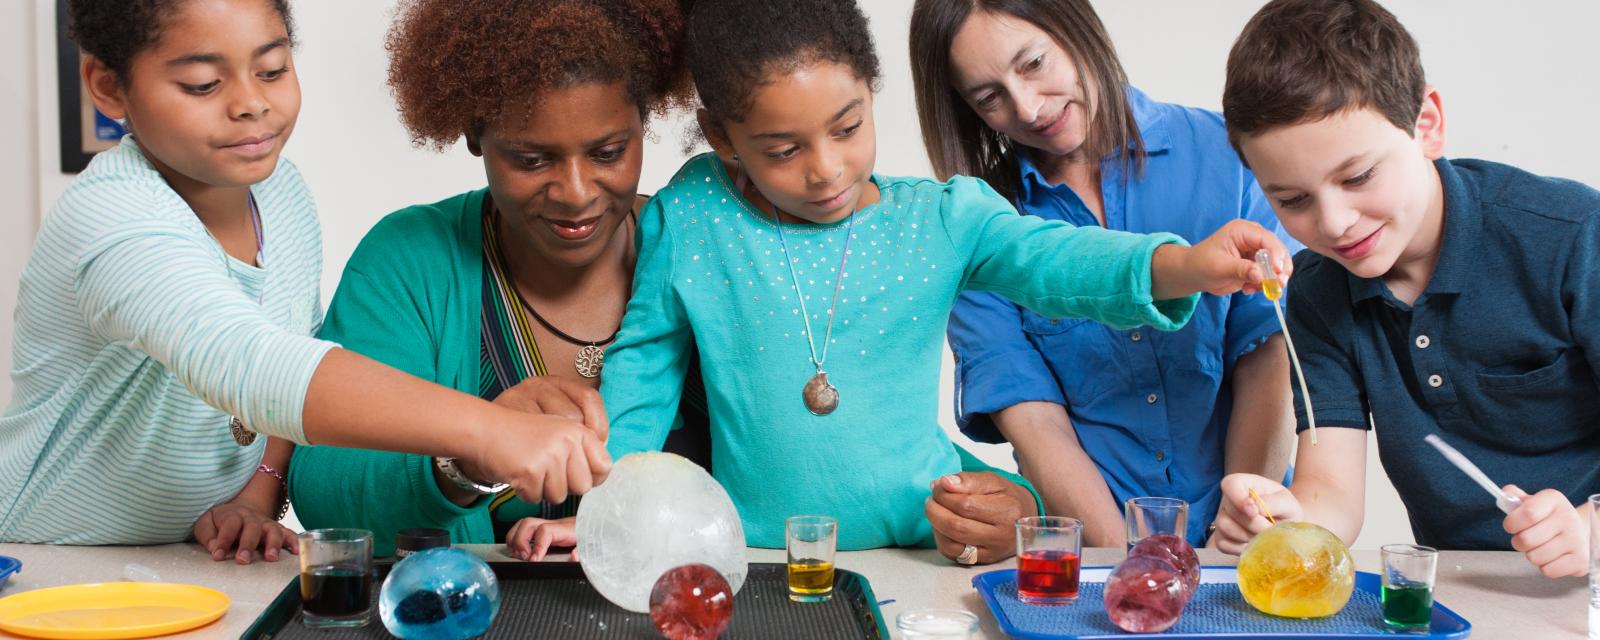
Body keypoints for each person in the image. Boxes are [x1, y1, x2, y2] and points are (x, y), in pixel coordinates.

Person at [600, 0, 1294, 564]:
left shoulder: (942, 218)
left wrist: (1190, 266)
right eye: (783, 150)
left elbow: (1063, 261)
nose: (827, 169)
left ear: (870, 95)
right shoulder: (691, 215)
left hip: (927, 542)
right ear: (722, 140)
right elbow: (643, 370)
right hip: (753, 553)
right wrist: (608, 512)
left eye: (848, 128)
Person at [0, 0, 608, 561]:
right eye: (203, 85)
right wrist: (489, 428)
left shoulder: (281, 193)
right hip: (51, 557)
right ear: (109, 87)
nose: (250, 103)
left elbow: (298, 354)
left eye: (271, 69)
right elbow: (256, 365)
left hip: (179, 558)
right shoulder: (113, 216)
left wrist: (257, 496)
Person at [288, 0, 710, 560]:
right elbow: (322, 488)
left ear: (645, 119)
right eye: (532, 160)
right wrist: (467, 455)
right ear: (473, 132)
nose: (576, 191)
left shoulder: (709, 256)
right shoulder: (411, 262)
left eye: (608, 152)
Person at [1211, 0, 1597, 579]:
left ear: (1427, 125)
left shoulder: (1571, 238)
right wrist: (1285, 522)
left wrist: (1589, 528)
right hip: (1461, 594)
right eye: (1292, 200)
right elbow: (1331, 498)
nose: (1335, 222)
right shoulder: (1317, 292)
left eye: (1358, 176)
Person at [908, 0, 1296, 547]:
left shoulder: (1230, 156)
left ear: (1075, 26)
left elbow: (1269, 353)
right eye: (989, 97)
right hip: (1094, 543)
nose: (1028, 107)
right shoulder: (978, 230)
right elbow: (1037, 423)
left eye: (1034, 63)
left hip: (1248, 529)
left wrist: (1234, 534)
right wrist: (1126, 566)